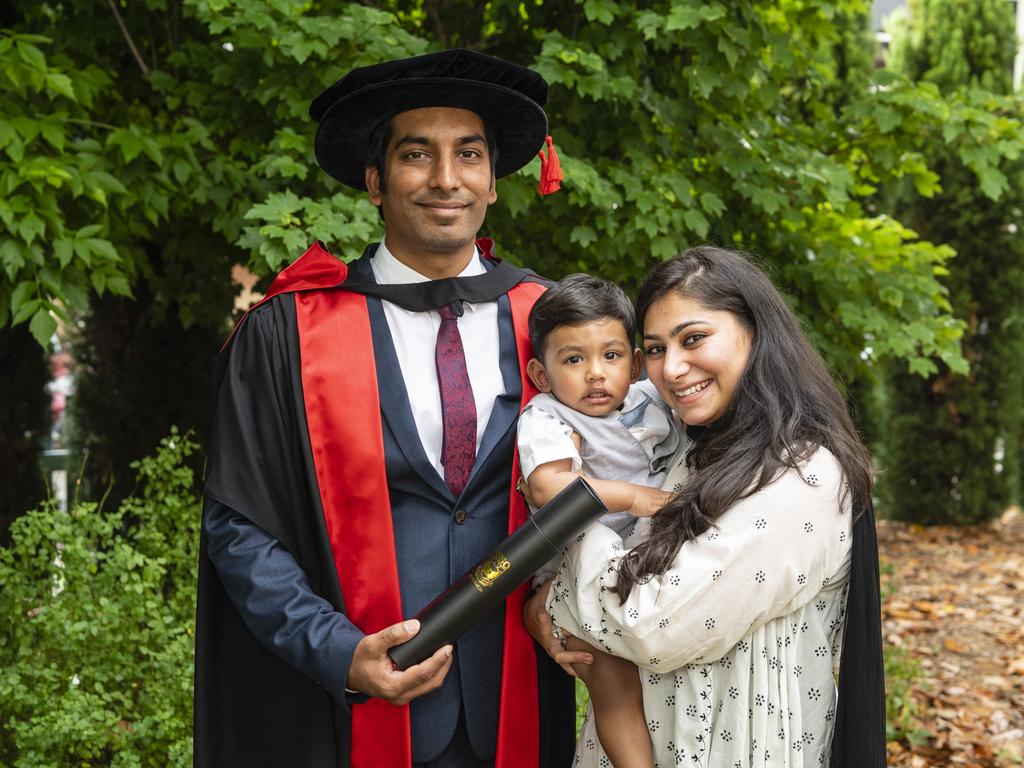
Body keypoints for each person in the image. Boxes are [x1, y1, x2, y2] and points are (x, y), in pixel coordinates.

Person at [194, 49, 576, 768]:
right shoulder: (289, 333)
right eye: (415, 154)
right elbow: (239, 525)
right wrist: (339, 652)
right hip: (350, 717)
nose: (445, 179)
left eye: (468, 155)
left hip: (519, 706)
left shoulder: (558, 327)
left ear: (493, 181)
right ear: (375, 181)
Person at [541, 247, 886, 766]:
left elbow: (651, 624)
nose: (672, 368)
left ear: (756, 331)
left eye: (693, 338)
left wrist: (565, 519)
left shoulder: (801, 472)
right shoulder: (686, 445)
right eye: (654, 349)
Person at [517, 274, 678, 768]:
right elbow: (548, 489)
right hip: (574, 572)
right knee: (613, 684)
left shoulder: (652, 398)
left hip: (648, 561)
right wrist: (630, 496)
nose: (595, 374)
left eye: (610, 356)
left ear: (633, 362)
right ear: (541, 375)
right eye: (573, 360)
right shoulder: (547, 418)